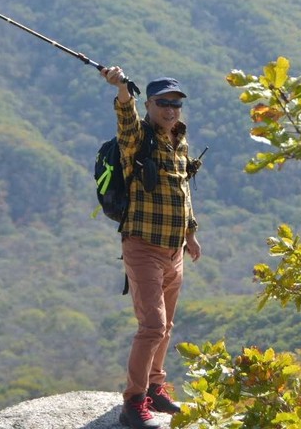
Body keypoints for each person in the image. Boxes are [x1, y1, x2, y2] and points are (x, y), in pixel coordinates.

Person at [101, 66, 202, 429]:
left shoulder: (179, 139)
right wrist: (121, 90)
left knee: (167, 325)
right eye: (164, 103)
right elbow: (125, 120)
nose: (171, 109)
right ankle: (133, 402)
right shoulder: (137, 138)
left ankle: (156, 387)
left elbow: (183, 190)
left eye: (176, 103)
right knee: (152, 326)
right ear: (149, 104)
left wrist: (190, 233)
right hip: (143, 245)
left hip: (174, 249)